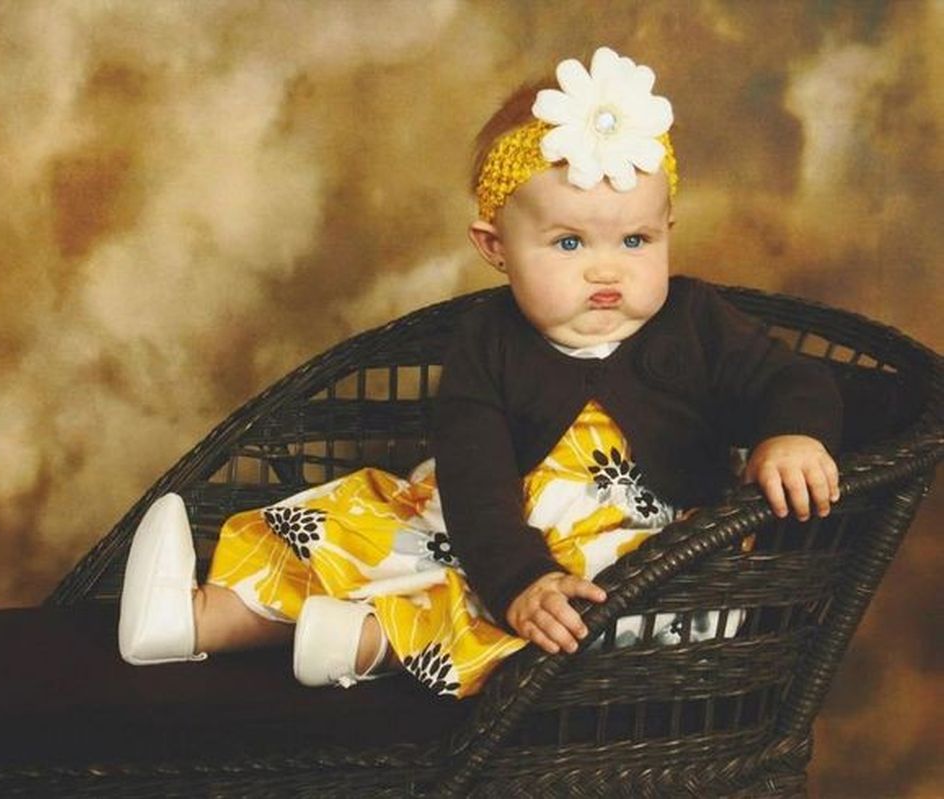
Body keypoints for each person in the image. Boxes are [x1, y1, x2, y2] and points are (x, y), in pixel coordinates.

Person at [118, 46, 842, 698]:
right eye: (568, 243)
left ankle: (370, 643)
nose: (606, 269)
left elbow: (794, 381)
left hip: (635, 546)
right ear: (496, 248)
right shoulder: (487, 343)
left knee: (582, 600)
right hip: (490, 529)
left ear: (667, 232)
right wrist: (519, 577)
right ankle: (198, 620)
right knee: (372, 526)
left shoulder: (697, 320)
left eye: (635, 239)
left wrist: (793, 434)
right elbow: (474, 482)